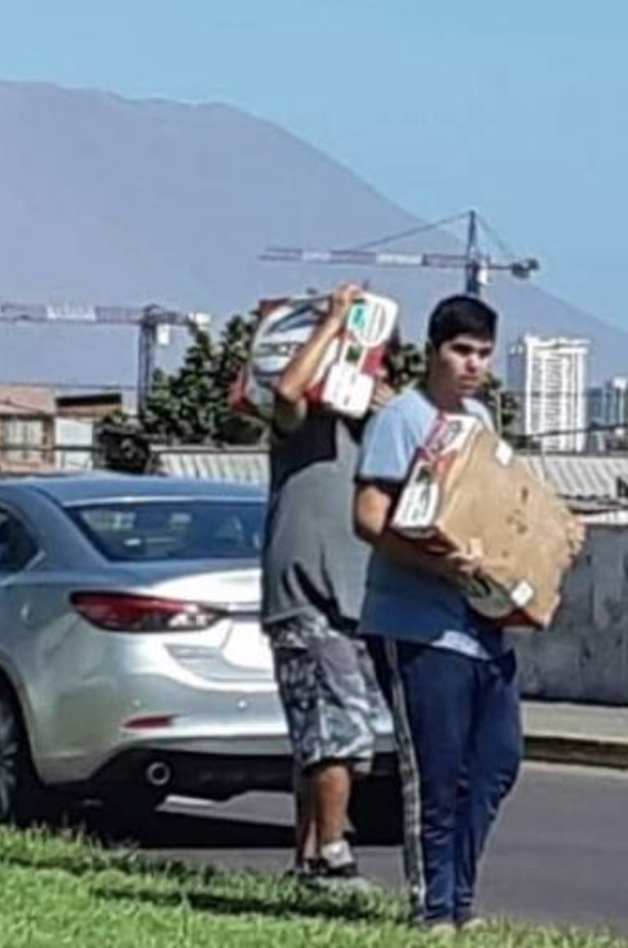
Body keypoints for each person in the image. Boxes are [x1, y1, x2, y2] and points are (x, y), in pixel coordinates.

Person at [353, 294, 542, 932]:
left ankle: (461, 896)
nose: (473, 365)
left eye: (484, 353)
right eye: (462, 351)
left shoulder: (481, 421)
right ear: (435, 351)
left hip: (482, 626)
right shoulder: (401, 421)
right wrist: (440, 565)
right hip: (416, 625)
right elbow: (370, 519)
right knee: (436, 772)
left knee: (495, 762)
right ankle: (433, 907)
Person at [261, 282, 385, 894]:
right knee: (337, 733)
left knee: (327, 737)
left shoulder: (373, 433)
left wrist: (382, 403)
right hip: (307, 596)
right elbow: (286, 390)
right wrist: (334, 321)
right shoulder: (299, 427)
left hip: (356, 599)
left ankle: (309, 853)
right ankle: (333, 855)